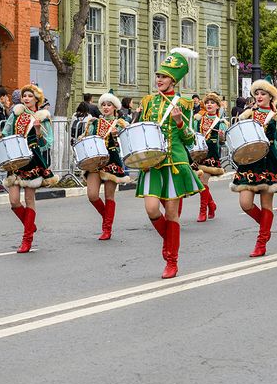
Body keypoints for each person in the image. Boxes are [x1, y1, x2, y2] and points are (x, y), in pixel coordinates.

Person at [136, 48, 203, 278]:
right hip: (153, 163)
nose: (159, 80)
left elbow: (190, 139)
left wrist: (180, 122)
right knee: (152, 208)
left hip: (175, 162)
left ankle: (171, 260)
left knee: (172, 214)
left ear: (173, 79)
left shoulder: (183, 104)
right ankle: (171, 243)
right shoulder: (147, 102)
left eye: (163, 77)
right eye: (157, 76)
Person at [231, 79, 277, 257]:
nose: (259, 96)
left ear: (270, 97)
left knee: (266, 204)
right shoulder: (247, 114)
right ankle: (266, 227)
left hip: (269, 161)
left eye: (263, 94)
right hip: (249, 161)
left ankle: (261, 241)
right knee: (245, 203)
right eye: (256, 93)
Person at [0, 84, 58, 253]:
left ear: (37, 99)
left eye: (29, 96)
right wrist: (0, 134)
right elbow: (7, 131)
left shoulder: (43, 117)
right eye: (24, 96)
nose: (26, 98)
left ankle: (27, 240)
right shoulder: (16, 113)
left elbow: (46, 143)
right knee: (14, 201)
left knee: (30, 200)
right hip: (16, 159)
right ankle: (30, 225)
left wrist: (39, 130)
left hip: (32, 159)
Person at [82, 93, 130, 240]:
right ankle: (107, 218)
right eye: (103, 105)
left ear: (115, 107)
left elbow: (128, 142)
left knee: (109, 196)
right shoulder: (94, 123)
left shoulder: (121, 123)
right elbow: (87, 139)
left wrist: (118, 135)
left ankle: (107, 229)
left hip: (112, 160)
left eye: (109, 105)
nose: (106, 107)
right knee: (92, 195)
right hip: (96, 160)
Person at [193, 92, 227, 223]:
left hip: (211, 155)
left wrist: (222, 136)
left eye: (212, 103)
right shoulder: (198, 120)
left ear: (218, 106)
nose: (209, 105)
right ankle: (211, 205)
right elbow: (194, 135)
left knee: (203, 181)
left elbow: (222, 142)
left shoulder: (221, 122)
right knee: (200, 183)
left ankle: (203, 211)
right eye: (207, 102)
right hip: (198, 154)